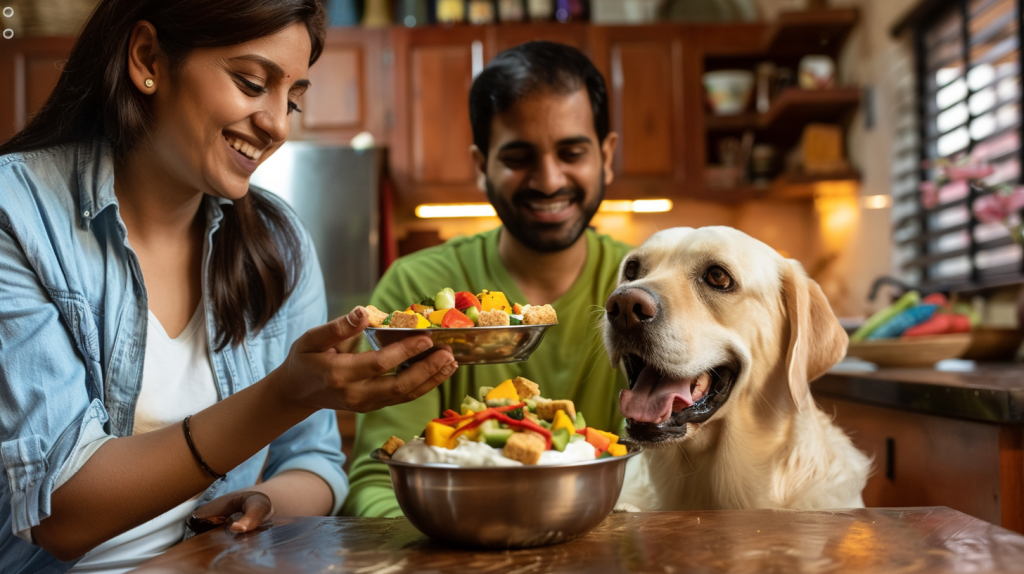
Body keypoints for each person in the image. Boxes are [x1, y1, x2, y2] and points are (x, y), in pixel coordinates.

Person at [0, 1, 458, 572]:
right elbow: (60, 516)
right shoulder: (16, 215)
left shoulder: (278, 240)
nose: (278, 125)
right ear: (147, 58)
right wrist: (284, 395)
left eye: (291, 99)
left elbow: (315, 461)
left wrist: (270, 503)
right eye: (251, 83)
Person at [343, 41, 632, 518]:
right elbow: (379, 483)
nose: (548, 179)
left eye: (571, 152)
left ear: (605, 155)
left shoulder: (643, 288)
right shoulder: (413, 288)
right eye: (519, 157)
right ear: (481, 167)